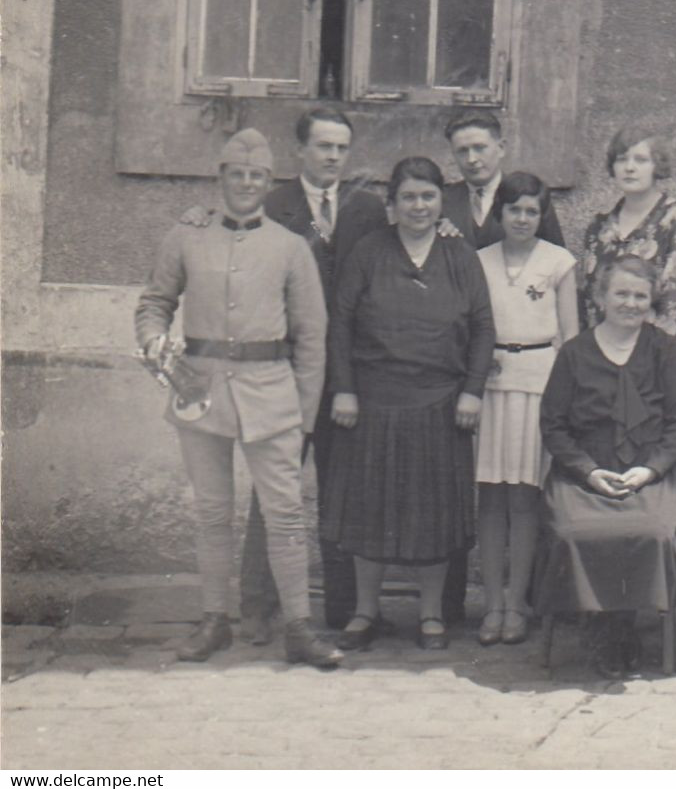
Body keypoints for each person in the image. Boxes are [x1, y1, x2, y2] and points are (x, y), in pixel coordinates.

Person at [134, 128, 341, 668]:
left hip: (272, 394)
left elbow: (312, 335)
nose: (246, 183)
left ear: (269, 183)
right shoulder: (187, 237)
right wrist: (154, 339)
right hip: (199, 391)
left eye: (256, 176)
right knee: (211, 513)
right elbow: (154, 301)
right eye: (237, 173)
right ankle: (214, 621)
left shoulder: (291, 248)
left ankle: (297, 627)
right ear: (220, 177)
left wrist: (304, 412)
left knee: (286, 514)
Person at [323, 157, 495, 651]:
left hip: (440, 404)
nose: (419, 206)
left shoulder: (459, 255)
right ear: (392, 205)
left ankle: (431, 614)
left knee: (434, 515)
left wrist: (472, 390)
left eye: (428, 197)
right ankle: (364, 612)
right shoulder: (369, 252)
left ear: (441, 201)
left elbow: (483, 326)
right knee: (369, 511)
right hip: (374, 402)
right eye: (409, 198)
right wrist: (345, 388)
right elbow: (341, 322)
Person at [228, 107, 387, 639]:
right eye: (323, 146)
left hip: (348, 376)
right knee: (274, 491)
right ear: (300, 150)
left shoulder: (369, 209)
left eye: (342, 147)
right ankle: (258, 606)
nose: (334, 156)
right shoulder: (273, 206)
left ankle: (341, 609)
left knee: (345, 491)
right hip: (285, 373)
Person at [538, 255, 676, 679]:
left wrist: (650, 470)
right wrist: (588, 471)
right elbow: (553, 427)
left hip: (649, 474)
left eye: (640, 296)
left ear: (652, 301)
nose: (630, 303)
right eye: (621, 293)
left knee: (653, 530)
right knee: (577, 532)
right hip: (585, 475)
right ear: (601, 297)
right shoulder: (574, 353)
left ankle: (624, 625)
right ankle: (599, 623)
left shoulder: (667, 350)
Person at [473, 171, 580, 646]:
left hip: (538, 384)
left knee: (524, 497)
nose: (522, 218)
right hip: (491, 385)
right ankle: (491, 603)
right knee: (491, 497)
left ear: (543, 215)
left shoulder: (559, 263)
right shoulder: (478, 261)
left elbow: (572, 340)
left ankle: (518, 603)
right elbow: (469, 326)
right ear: (499, 213)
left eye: (532, 210)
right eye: (514, 209)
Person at [579, 128, 676, 340]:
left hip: (658, 353)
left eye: (641, 160)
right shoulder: (598, 227)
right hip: (604, 354)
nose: (630, 168)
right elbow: (590, 302)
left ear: (657, 167)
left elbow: (675, 305)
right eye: (622, 159)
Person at [441, 113, 566, 250]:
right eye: (462, 151)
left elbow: (554, 256)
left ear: (501, 148)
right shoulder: (442, 200)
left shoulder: (530, 195)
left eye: (479, 148)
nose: (471, 159)